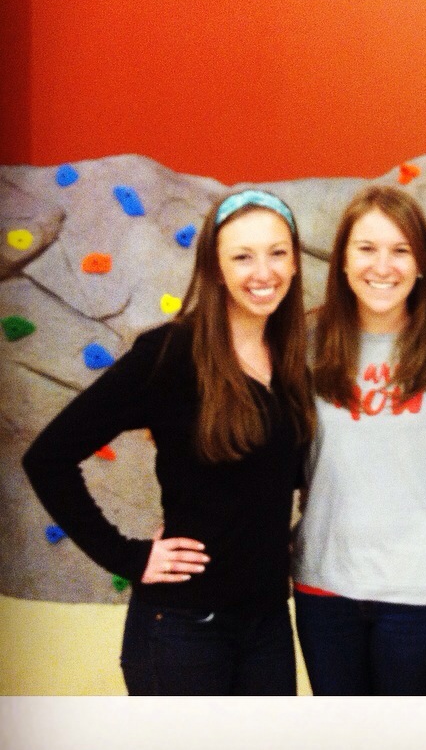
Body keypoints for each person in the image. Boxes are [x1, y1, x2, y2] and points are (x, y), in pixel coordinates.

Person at [23, 189, 316, 696]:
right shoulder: (172, 353)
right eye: (242, 257)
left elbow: (272, 485)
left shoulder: (289, 363)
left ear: (294, 263)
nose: (263, 272)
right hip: (183, 629)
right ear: (215, 268)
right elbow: (48, 457)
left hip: (267, 624)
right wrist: (127, 556)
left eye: (277, 253)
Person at [291, 185, 426, 695]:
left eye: (400, 250)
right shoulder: (306, 343)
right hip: (326, 582)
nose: (383, 266)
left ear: (422, 264)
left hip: (422, 588)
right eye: (366, 248)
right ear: (344, 261)